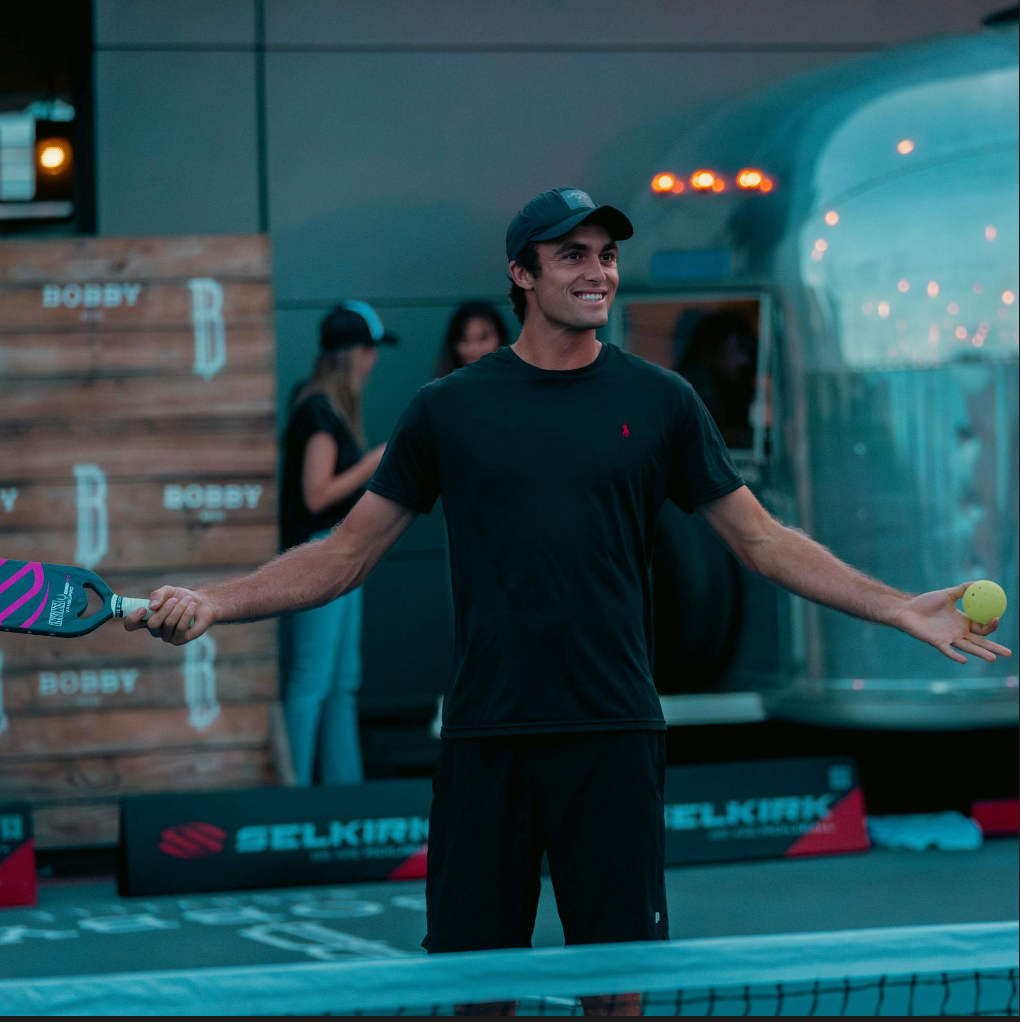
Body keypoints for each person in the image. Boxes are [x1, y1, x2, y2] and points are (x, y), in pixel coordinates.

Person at [127, 187, 1011, 1015]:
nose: (598, 272)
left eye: (607, 256)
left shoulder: (661, 401)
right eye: (573, 256)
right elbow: (346, 555)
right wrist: (215, 601)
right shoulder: (447, 411)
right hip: (486, 737)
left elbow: (764, 542)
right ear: (522, 274)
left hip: (613, 733)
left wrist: (896, 606)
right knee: (475, 989)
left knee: (615, 987)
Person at [277, 301, 395, 786]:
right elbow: (316, 493)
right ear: (353, 353)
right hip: (318, 552)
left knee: (342, 682)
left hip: (339, 549)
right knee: (312, 682)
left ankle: (344, 796)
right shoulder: (319, 409)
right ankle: (296, 800)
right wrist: (375, 461)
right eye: (370, 349)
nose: (374, 360)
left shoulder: (326, 408)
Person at [434, 300, 509, 378]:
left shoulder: (517, 385)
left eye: (483, 338)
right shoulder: (441, 388)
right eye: (464, 340)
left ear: (500, 338)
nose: (472, 349)